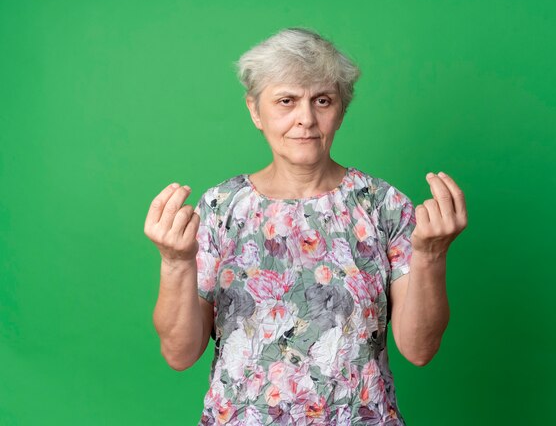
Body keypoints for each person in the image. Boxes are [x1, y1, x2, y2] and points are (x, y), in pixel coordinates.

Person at [144, 27, 468, 425]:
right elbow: (179, 353)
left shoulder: (384, 205)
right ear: (255, 110)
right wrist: (175, 262)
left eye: (322, 100)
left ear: (342, 109)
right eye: (286, 101)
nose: (306, 119)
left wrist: (432, 255)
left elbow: (419, 349)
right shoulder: (220, 208)